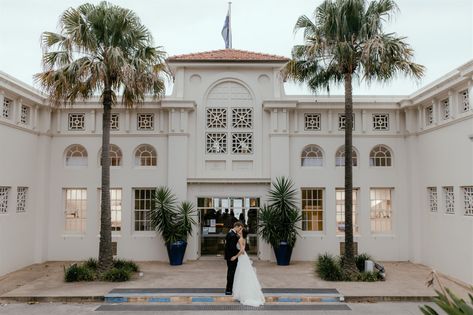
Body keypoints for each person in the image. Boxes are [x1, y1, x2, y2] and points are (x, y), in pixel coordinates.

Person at [231, 228, 265, 307]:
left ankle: (243, 294)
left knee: (242, 275)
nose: (238, 230)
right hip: (244, 257)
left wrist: (235, 257)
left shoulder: (240, 239)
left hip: (242, 258)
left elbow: (242, 250)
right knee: (246, 275)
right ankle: (245, 292)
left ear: (242, 232)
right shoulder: (244, 239)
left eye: (240, 230)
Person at [224, 221, 243, 295]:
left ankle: (229, 288)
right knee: (231, 273)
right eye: (240, 228)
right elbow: (232, 248)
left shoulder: (230, 233)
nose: (240, 230)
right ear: (237, 226)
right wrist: (237, 254)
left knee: (230, 272)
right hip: (232, 257)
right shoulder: (233, 235)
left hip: (229, 256)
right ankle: (229, 289)